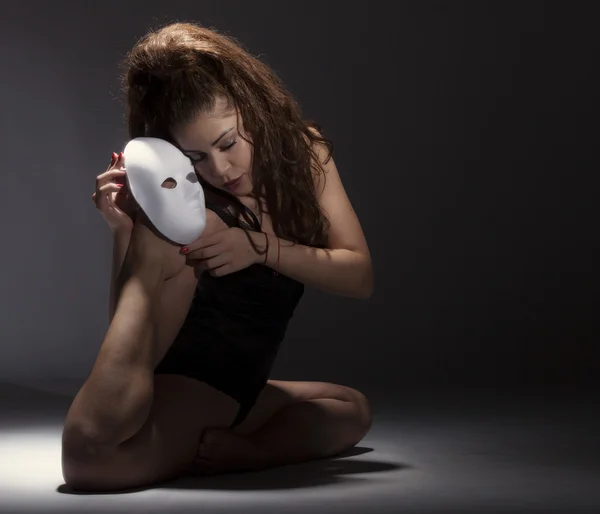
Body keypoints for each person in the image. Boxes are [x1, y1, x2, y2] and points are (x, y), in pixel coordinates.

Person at [62, 21, 374, 492]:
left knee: (350, 407)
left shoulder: (305, 153)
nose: (220, 170)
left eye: (227, 143)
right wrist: (125, 232)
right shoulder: (185, 212)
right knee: (92, 459)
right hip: (189, 389)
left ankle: (250, 452)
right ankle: (214, 447)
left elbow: (359, 275)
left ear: (252, 109)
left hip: (245, 392)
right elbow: (130, 344)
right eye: (195, 158)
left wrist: (260, 248)